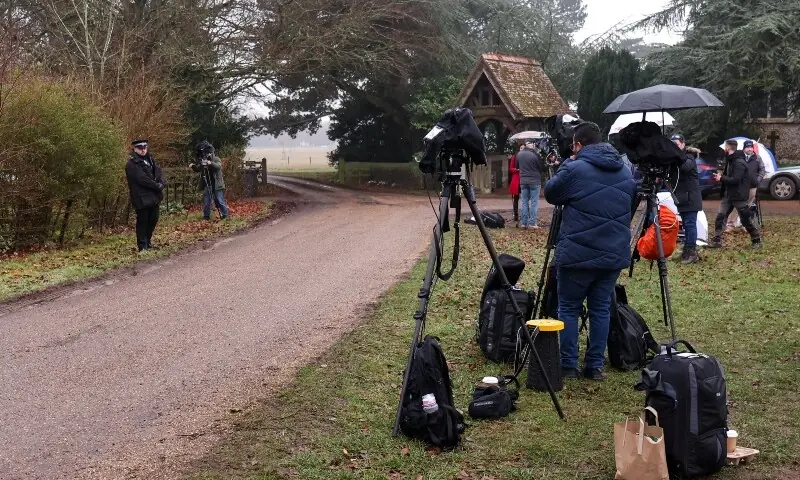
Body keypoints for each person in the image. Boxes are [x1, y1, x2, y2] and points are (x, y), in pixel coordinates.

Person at [544, 122, 636, 381]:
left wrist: (564, 165)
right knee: (601, 309)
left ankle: (569, 366)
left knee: (569, 308)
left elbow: (551, 193)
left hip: (577, 253)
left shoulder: (574, 169)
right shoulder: (625, 171)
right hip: (612, 253)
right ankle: (595, 366)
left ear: (578, 145)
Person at [711, 140, 761, 249]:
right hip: (728, 195)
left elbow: (736, 179)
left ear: (728, 147)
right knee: (721, 216)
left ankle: (756, 240)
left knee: (745, 219)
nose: (724, 149)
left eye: (725, 147)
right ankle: (717, 240)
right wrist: (722, 177)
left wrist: (721, 178)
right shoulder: (730, 160)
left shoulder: (739, 162)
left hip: (738, 195)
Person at [667, 134, 703, 264]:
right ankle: (686, 252)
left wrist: (674, 155)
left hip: (691, 198)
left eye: (676, 144)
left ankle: (691, 253)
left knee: (690, 225)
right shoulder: (674, 159)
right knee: (687, 226)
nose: (674, 147)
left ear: (683, 144)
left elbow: (685, 167)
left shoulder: (689, 157)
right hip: (682, 197)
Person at [125, 139, 165, 252]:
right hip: (141, 197)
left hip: (153, 196)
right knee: (143, 222)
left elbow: (159, 172)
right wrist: (157, 186)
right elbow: (142, 179)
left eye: (145, 148)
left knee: (153, 219)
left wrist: (162, 183)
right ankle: (142, 246)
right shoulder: (132, 164)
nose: (143, 150)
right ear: (135, 149)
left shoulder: (150, 160)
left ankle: (148, 241)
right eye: (140, 148)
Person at [725, 139, 765, 231]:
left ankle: (745, 225)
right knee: (737, 206)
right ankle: (730, 225)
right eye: (747, 147)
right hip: (741, 187)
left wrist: (757, 180)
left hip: (752, 186)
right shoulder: (739, 157)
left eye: (751, 147)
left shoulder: (757, 158)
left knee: (748, 207)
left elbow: (762, 170)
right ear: (744, 148)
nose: (750, 149)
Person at [191, 140, 229, 221]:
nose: (207, 155)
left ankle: (225, 216)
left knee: (220, 200)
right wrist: (193, 166)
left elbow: (218, 166)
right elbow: (199, 169)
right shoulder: (203, 161)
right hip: (207, 184)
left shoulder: (216, 159)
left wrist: (210, 163)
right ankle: (206, 217)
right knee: (206, 202)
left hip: (217, 185)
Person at [515, 140, 545, 229]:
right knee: (534, 203)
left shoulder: (519, 154)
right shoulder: (535, 154)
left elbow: (517, 166)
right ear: (531, 146)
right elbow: (542, 167)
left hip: (523, 181)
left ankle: (524, 223)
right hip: (535, 181)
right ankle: (532, 223)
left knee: (524, 202)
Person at [508, 147, 521, 223]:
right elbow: (511, 168)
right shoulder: (514, 157)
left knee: (526, 198)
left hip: (524, 179)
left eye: (523, 148)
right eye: (521, 148)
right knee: (516, 198)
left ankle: (526, 215)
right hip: (516, 180)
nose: (522, 150)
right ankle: (515, 214)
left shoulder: (526, 157)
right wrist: (516, 170)